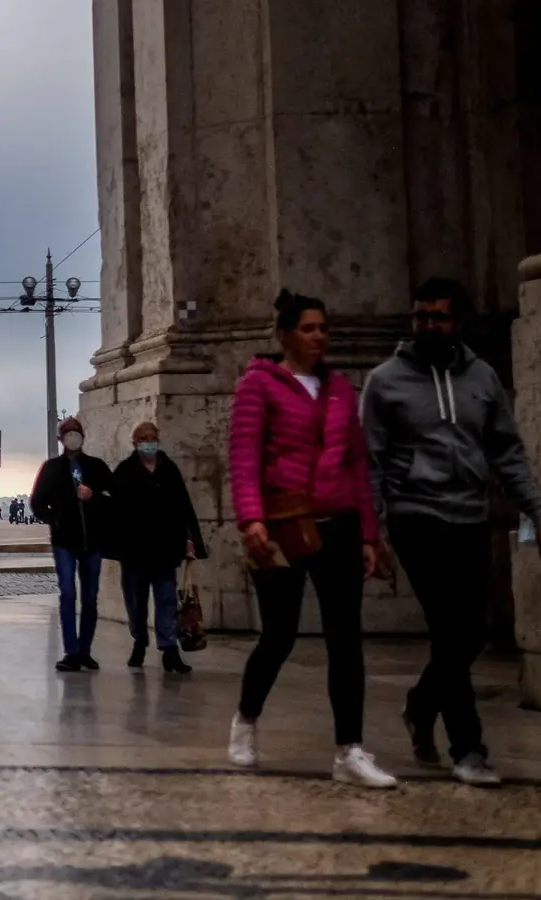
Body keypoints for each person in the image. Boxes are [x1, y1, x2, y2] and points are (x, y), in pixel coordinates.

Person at [363, 277, 541, 787]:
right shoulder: (385, 381)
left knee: (469, 633)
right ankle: (468, 748)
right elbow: (372, 462)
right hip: (415, 516)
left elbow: (507, 451)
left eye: (439, 317)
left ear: (457, 323)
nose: (428, 325)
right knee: (450, 630)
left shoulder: (482, 378)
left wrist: (537, 513)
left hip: (470, 516)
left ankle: (420, 703)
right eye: (421, 316)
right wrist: (374, 532)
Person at [228, 289, 394, 789]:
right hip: (282, 526)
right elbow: (244, 456)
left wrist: (368, 534)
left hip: (339, 524)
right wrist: (251, 519)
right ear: (284, 334)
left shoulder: (342, 390)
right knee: (278, 635)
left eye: (323, 327)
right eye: (308, 328)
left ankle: (350, 750)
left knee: (346, 639)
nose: (319, 336)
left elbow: (357, 467)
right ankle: (246, 719)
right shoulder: (259, 386)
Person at [105, 422, 204, 674]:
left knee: (166, 600)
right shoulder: (125, 471)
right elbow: (114, 511)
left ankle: (169, 649)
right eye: (143, 439)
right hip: (135, 551)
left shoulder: (168, 469)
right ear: (135, 443)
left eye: (152, 438)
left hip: (164, 548)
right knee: (136, 602)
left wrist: (188, 537)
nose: (149, 442)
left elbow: (182, 506)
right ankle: (139, 640)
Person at [30, 416, 111, 673]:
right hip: (64, 540)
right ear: (62, 438)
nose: (73, 436)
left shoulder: (96, 466)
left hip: (92, 541)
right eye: (69, 433)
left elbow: (114, 497)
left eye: (77, 432)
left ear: (83, 437)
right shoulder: (52, 467)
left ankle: (85, 650)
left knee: (90, 597)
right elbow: (37, 501)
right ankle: (71, 651)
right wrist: (55, 519)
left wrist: (94, 497)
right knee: (67, 593)